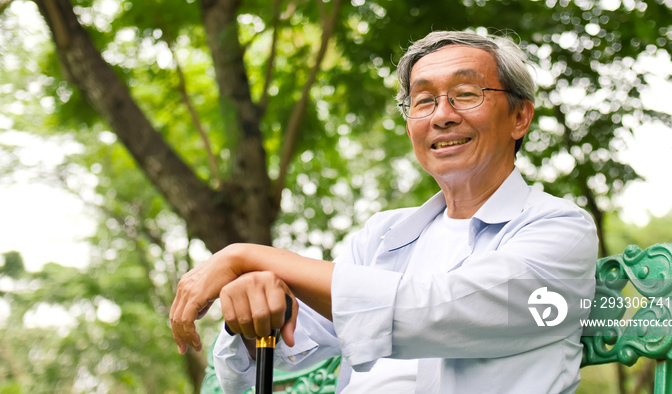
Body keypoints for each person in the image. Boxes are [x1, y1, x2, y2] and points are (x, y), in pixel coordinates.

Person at [170, 30, 598, 393]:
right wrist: (258, 306)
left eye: (466, 94)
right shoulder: (383, 235)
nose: (442, 116)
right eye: (423, 100)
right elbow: (284, 351)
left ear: (520, 116)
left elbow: (435, 311)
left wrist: (248, 256)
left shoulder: (559, 229)